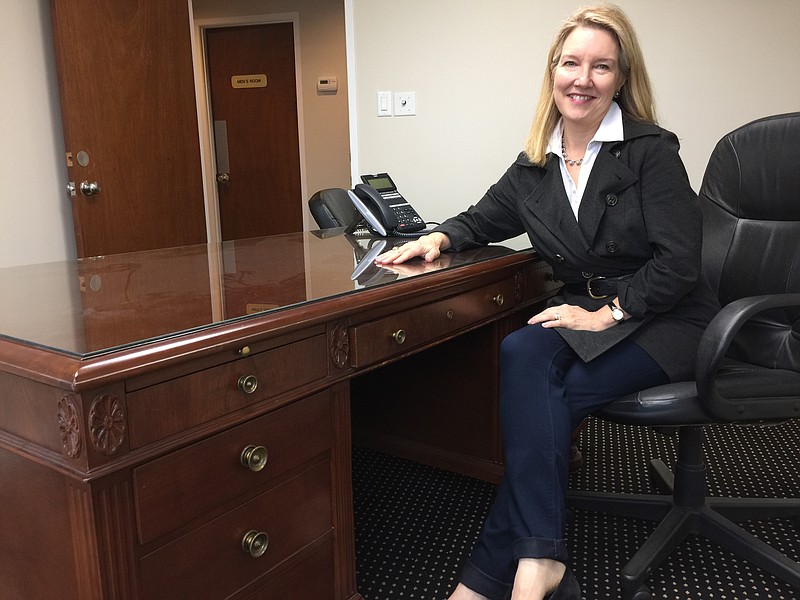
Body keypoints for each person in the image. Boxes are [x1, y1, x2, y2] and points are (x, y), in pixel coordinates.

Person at [375, 4, 720, 600]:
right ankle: (541, 563)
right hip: (587, 316)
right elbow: (484, 216)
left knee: (542, 400)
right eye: (571, 63)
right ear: (552, 72)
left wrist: (606, 313)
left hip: (666, 316)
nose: (583, 79)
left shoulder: (649, 152)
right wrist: (435, 237)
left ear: (620, 79)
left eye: (602, 66)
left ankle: (491, 578)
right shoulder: (537, 161)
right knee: (523, 354)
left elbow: (679, 263)